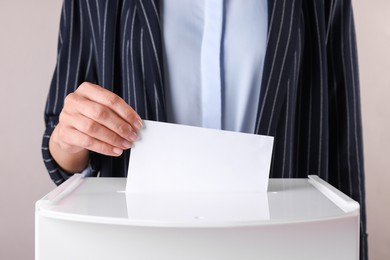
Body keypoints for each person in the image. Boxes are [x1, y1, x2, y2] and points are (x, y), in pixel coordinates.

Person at [42, 0, 367, 259]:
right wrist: (70, 138)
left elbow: (342, 144)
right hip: (139, 244)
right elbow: (62, 144)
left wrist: (357, 249)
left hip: (279, 245)